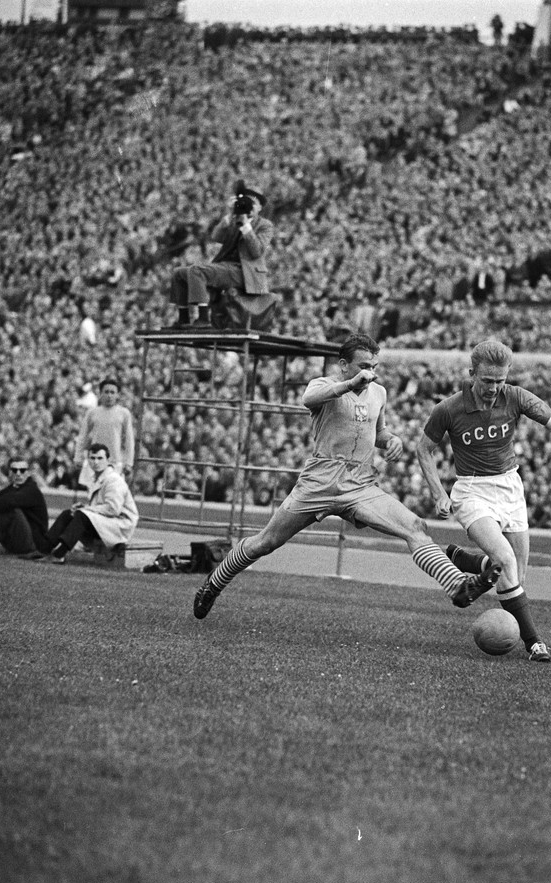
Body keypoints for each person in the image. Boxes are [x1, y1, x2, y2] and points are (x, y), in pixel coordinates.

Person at [193, 333, 501, 621]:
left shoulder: (378, 392)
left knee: (414, 526)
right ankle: (215, 581)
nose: (370, 373)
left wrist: (390, 440)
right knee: (266, 542)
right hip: (320, 482)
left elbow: (376, 433)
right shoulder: (325, 385)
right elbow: (308, 398)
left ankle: (458, 586)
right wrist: (350, 384)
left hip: (360, 484)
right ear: (344, 365)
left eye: (373, 367)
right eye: (363, 366)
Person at [416, 340, 551, 663]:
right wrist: (439, 492)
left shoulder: (516, 397)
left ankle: (468, 561)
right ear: (472, 375)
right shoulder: (449, 409)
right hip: (472, 490)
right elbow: (424, 449)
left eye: (500, 381)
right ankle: (534, 643)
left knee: (516, 577)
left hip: (510, 488)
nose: (494, 388)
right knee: (506, 561)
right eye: (487, 381)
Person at [168, 179, 275, 328]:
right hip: (226, 267)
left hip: (244, 272)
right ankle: (184, 318)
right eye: (246, 201)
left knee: (197, 271)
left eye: (253, 203)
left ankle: (203, 319)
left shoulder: (265, 225)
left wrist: (246, 226)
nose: (248, 206)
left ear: (260, 208)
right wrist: (229, 216)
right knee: (178, 274)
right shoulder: (234, 219)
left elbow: (256, 252)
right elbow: (216, 237)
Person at [30, 444, 138, 564]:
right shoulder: (97, 478)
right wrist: (84, 508)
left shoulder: (114, 480)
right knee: (68, 514)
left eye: (100, 458)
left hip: (121, 525)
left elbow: (113, 509)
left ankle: (59, 554)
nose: (96, 462)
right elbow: (100, 507)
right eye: (92, 458)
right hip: (107, 522)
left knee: (82, 516)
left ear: (108, 460)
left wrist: (86, 510)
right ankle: (43, 549)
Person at [74, 377, 135, 489]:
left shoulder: (123, 413)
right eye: (106, 392)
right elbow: (83, 436)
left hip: (115, 462)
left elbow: (129, 440)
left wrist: (129, 462)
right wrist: (78, 457)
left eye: (112, 392)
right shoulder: (92, 413)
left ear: (118, 395)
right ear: (100, 393)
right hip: (95, 461)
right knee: (94, 495)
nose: (109, 395)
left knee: (113, 495)